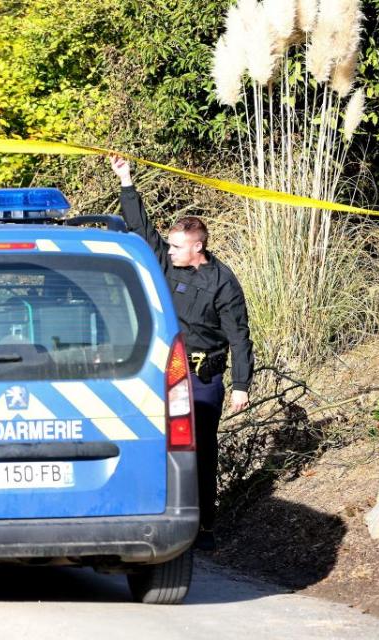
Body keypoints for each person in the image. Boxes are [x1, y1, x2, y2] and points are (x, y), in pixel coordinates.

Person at [109, 155, 253, 551]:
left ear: (197, 247)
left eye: (177, 246)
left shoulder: (223, 283)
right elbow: (142, 228)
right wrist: (126, 181)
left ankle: (204, 527)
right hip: (165, 375)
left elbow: (239, 336)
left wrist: (241, 384)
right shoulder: (166, 265)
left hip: (204, 379)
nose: (169, 251)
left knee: (201, 450)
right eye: (169, 245)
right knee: (155, 443)